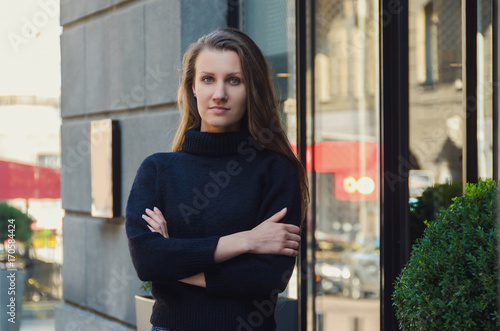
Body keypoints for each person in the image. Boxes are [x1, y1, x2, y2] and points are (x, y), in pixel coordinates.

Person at [125, 27, 309, 331]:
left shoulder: (277, 170)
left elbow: (268, 278)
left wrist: (175, 260)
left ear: (253, 89)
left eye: (234, 80)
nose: (219, 93)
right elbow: (147, 261)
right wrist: (247, 240)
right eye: (208, 79)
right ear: (193, 87)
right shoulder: (157, 170)